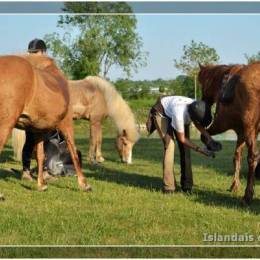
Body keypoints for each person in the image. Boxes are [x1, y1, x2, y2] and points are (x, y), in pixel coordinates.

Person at [146, 95, 221, 193]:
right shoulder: (179, 116)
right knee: (170, 146)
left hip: (175, 109)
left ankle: (187, 186)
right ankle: (169, 187)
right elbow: (182, 139)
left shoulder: (196, 106)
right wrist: (200, 150)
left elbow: (197, 122)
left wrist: (209, 139)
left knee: (185, 148)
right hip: (162, 111)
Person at [21, 38, 53, 181]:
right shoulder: (28, 68)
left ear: (43, 52)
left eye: (36, 52)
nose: (33, 55)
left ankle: (44, 169)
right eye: (31, 53)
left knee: (46, 141)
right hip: (32, 110)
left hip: (45, 111)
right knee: (29, 141)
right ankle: (26, 170)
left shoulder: (48, 68)